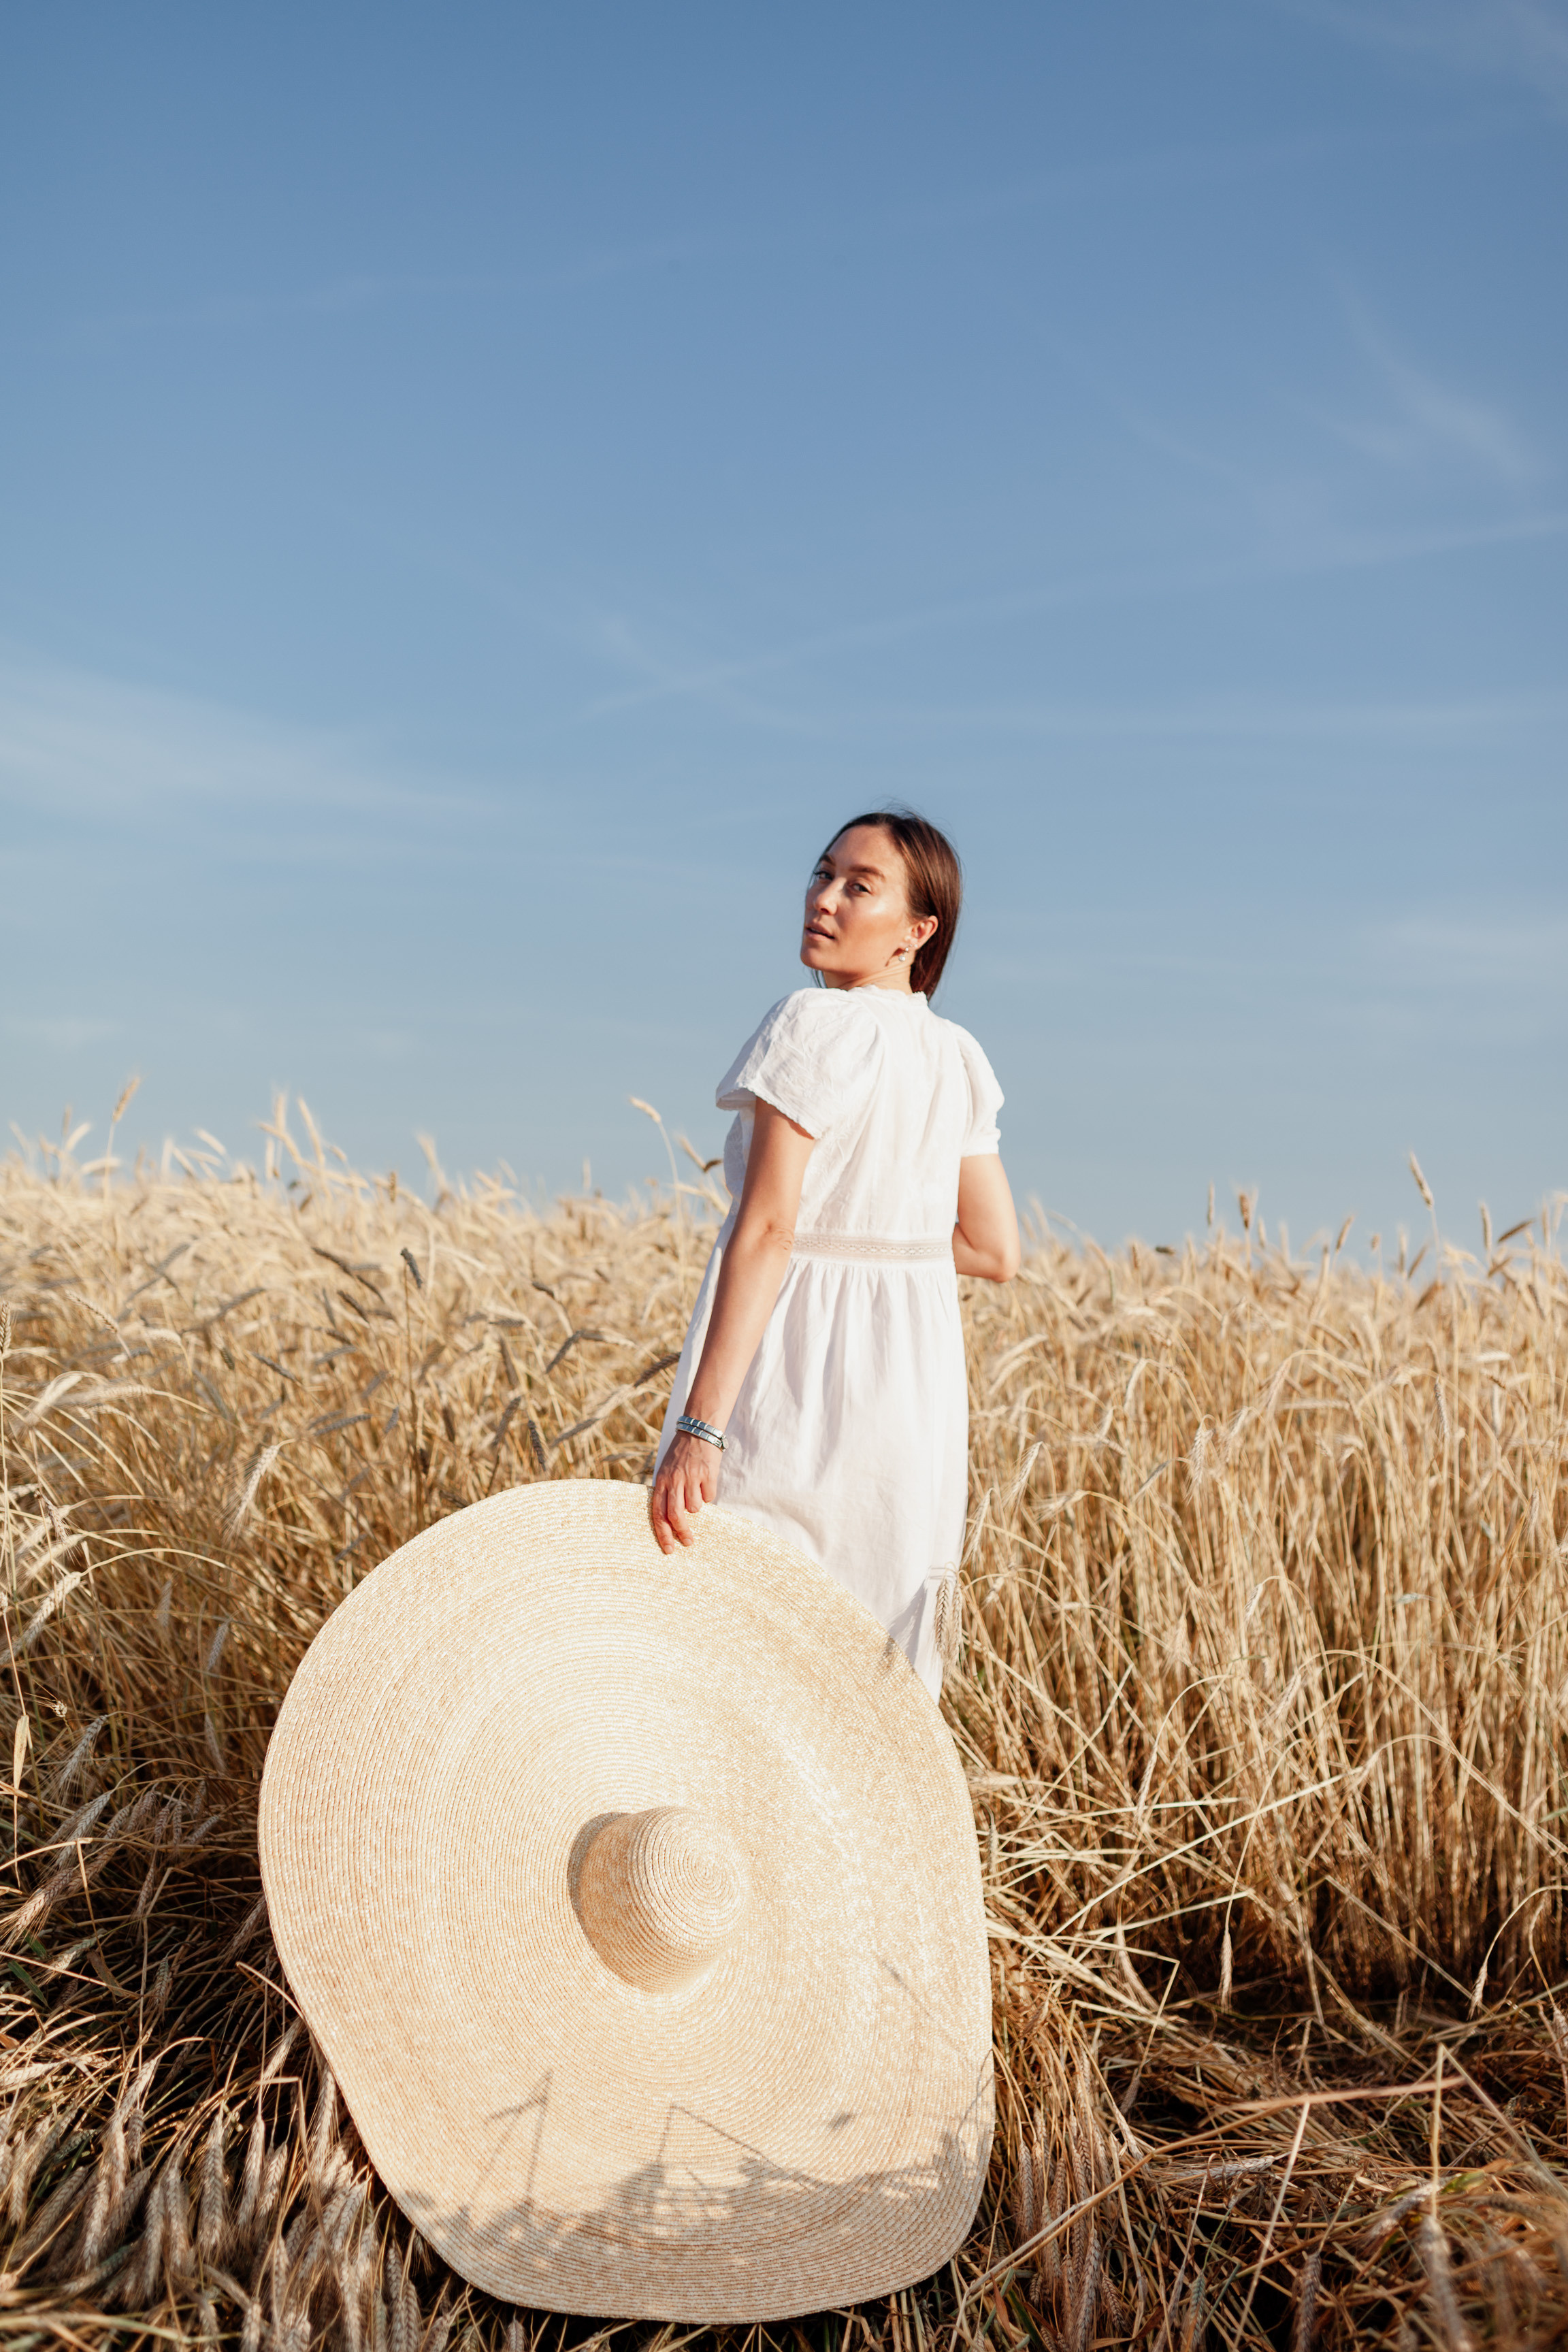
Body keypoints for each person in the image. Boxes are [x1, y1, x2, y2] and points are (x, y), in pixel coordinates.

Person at [649, 811, 1019, 1697]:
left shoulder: (812, 1022)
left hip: (796, 1374)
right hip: (912, 1396)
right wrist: (883, 1244)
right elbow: (994, 1248)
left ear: (918, 931)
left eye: (860, 886)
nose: (824, 898)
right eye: (822, 875)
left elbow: (768, 1228)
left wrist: (702, 1430)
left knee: (737, 1635)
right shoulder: (957, 1055)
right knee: (861, 1668)